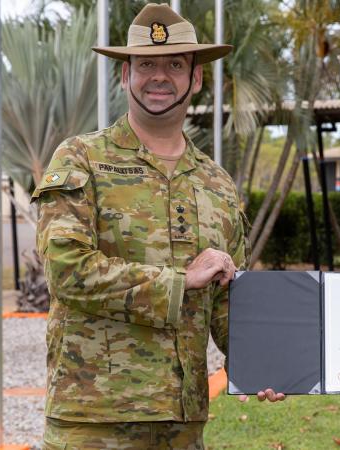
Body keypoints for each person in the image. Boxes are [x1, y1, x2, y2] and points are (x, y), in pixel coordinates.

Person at [33, 3, 257, 448]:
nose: (160, 76)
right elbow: (67, 270)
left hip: (182, 424)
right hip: (95, 420)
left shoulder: (217, 183)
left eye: (175, 65)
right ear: (125, 75)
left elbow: (228, 299)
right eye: (146, 65)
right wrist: (179, 281)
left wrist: (260, 361)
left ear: (195, 78)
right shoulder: (82, 158)